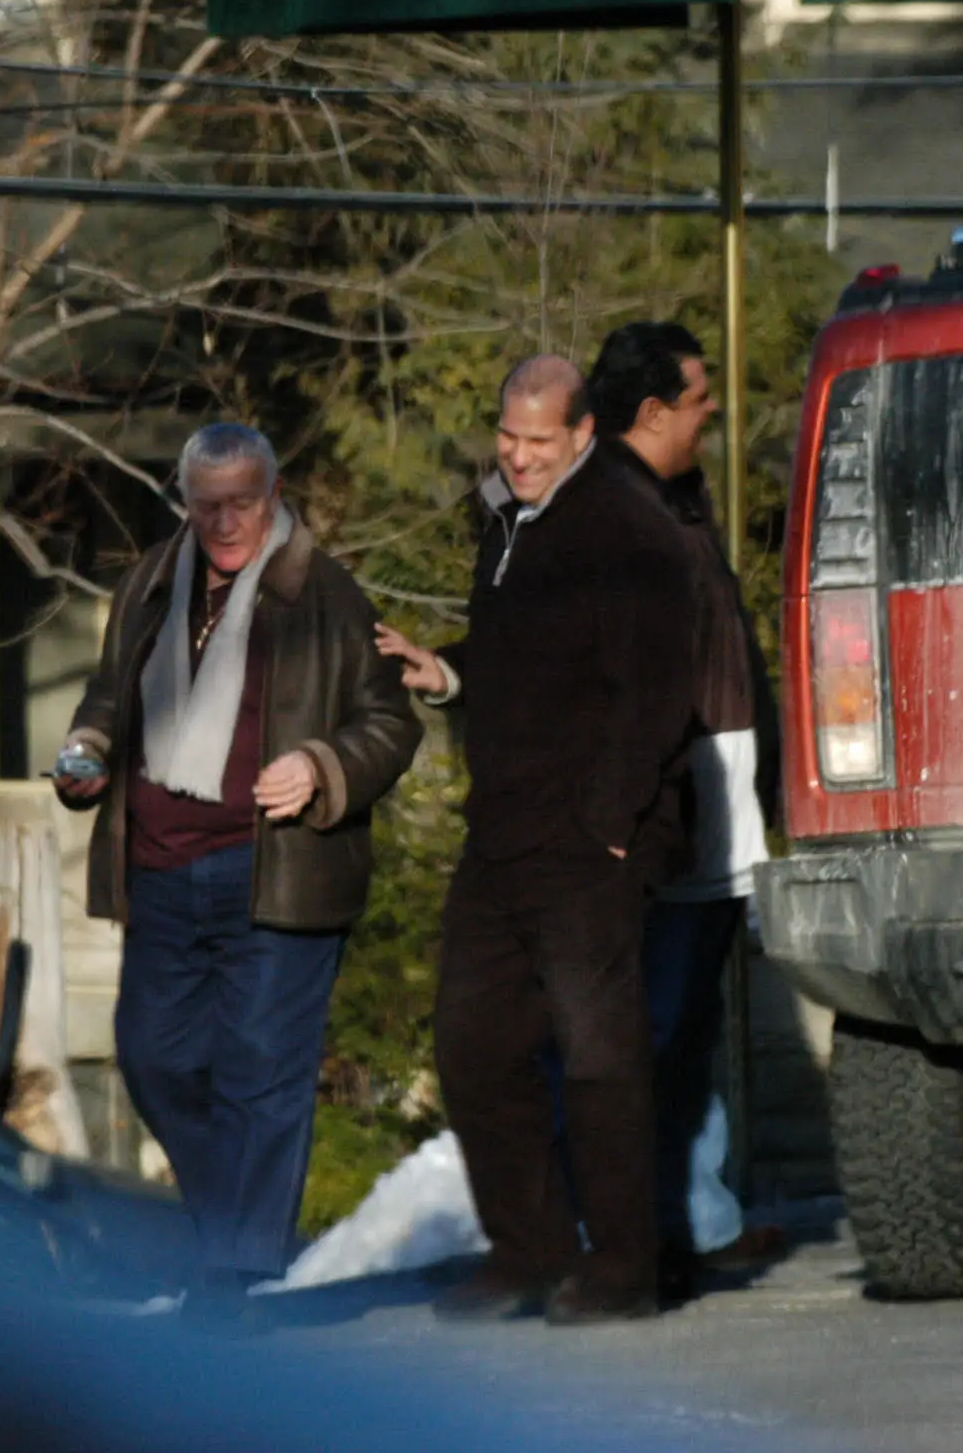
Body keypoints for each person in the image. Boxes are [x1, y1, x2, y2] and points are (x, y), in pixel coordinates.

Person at [55, 423, 422, 1315]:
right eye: (205, 503)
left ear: (275, 491)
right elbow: (111, 689)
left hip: (275, 871)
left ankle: (237, 1276)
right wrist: (89, 745)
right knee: (153, 1060)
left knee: (262, 1068)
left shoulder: (325, 593)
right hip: (158, 872)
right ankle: (236, 1227)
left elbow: (391, 722)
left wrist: (322, 768)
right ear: (183, 497)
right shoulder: (150, 580)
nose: (224, 523)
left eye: (242, 503)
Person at [377, 356, 701, 1325]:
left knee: (599, 1056)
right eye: (507, 437)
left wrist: (607, 824)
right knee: (473, 1043)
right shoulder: (510, 520)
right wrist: (445, 671)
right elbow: (521, 652)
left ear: (582, 434)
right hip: (504, 827)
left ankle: (622, 1265)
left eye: (537, 441)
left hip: (586, 835)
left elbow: (656, 688)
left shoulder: (628, 529)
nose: (516, 456)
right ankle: (528, 1249)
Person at [584, 321, 786, 1301]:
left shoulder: (678, 500)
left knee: (688, 1019)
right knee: (650, 1026)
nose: (714, 411)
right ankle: (634, 1228)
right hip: (660, 817)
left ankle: (694, 1215)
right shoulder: (611, 514)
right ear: (652, 409)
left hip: (714, 808)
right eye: (698, 397)